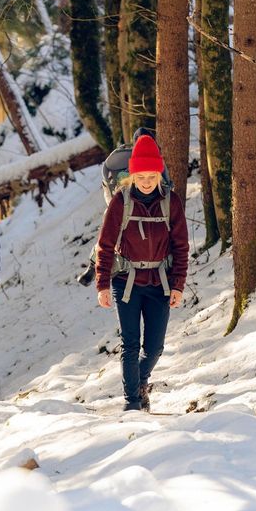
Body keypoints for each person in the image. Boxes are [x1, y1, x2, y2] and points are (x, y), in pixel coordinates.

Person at [95, 134, 189, 411]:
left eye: (152, 176)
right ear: (132, 175)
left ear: (159, 175)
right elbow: (106, 245)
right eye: (141, 177)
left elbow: (181, 247)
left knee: (155, 347)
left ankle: (141, 381)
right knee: (130, 344)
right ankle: (132, 403)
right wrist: (102, 284)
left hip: (159, 283)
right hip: (126, 282)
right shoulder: (120, 202)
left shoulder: (171, 202)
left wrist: (178, 285)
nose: (146, 182)